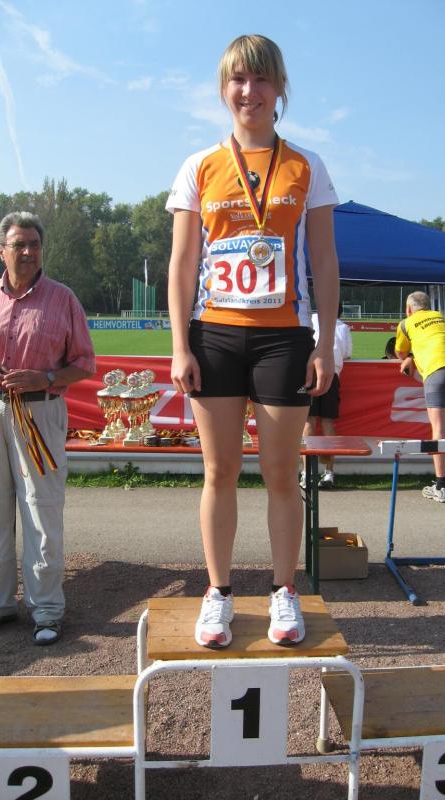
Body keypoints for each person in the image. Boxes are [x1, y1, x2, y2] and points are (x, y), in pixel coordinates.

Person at [166, 34, 339, 648]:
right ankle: (218, 593)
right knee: (219, 471)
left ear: (279, 88)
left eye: (262, 79)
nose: (250, 91)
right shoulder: (199, 166)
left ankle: (283, 590)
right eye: (239, 79)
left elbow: (325, 261)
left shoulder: (307, 166)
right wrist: (180, 345)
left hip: (283, 340)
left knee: (281, 473)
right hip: (214, 335)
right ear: (223, 90)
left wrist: (323, 344)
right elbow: (182, 264)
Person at [0, 212, 95, 645]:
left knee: (41, 509)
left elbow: (84, 363)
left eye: (34, 244)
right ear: (2, 251)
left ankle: (46, 609)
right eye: (19, 245)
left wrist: (46, 378)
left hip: (40, 412)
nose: (29, 252)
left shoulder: (62, 299)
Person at [395, 292, 445, 503]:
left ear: (408, 309)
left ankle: (440, 486)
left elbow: (400, 353)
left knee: (438, 429)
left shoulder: (406, 323)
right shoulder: (439, 315)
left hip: (437, 369)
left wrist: (410, 357)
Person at [300, 303, 352, 489]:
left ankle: (306, 473)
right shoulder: (343, 327)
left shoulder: (310, 320)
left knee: (309, 422)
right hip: (331, 374)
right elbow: (347, 354)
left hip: (310, 373)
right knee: (328, 423)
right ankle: (328, 473)